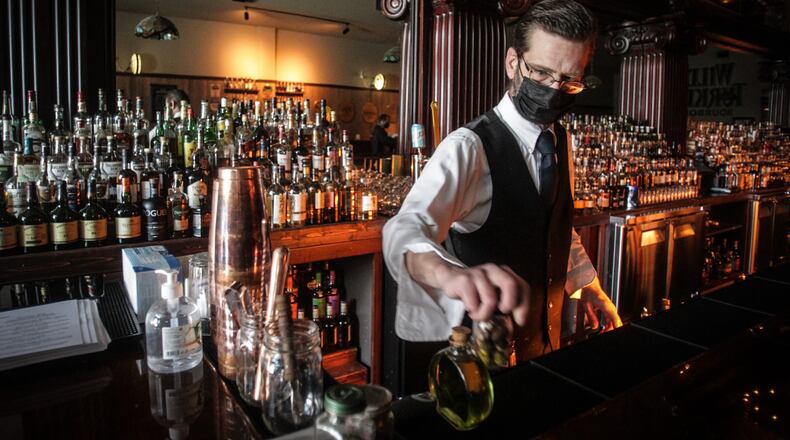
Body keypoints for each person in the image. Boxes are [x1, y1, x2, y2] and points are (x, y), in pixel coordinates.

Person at [382, 0, 622, 362]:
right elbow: (404, 229)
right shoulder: (469, 147)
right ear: (513, 63)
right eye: (541, 73)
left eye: (570, 80)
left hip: (546, 344)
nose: (554, 89)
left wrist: (589, 286)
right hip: (486, 355)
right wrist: (447, 273)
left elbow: (552, 227)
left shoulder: (560, 139)